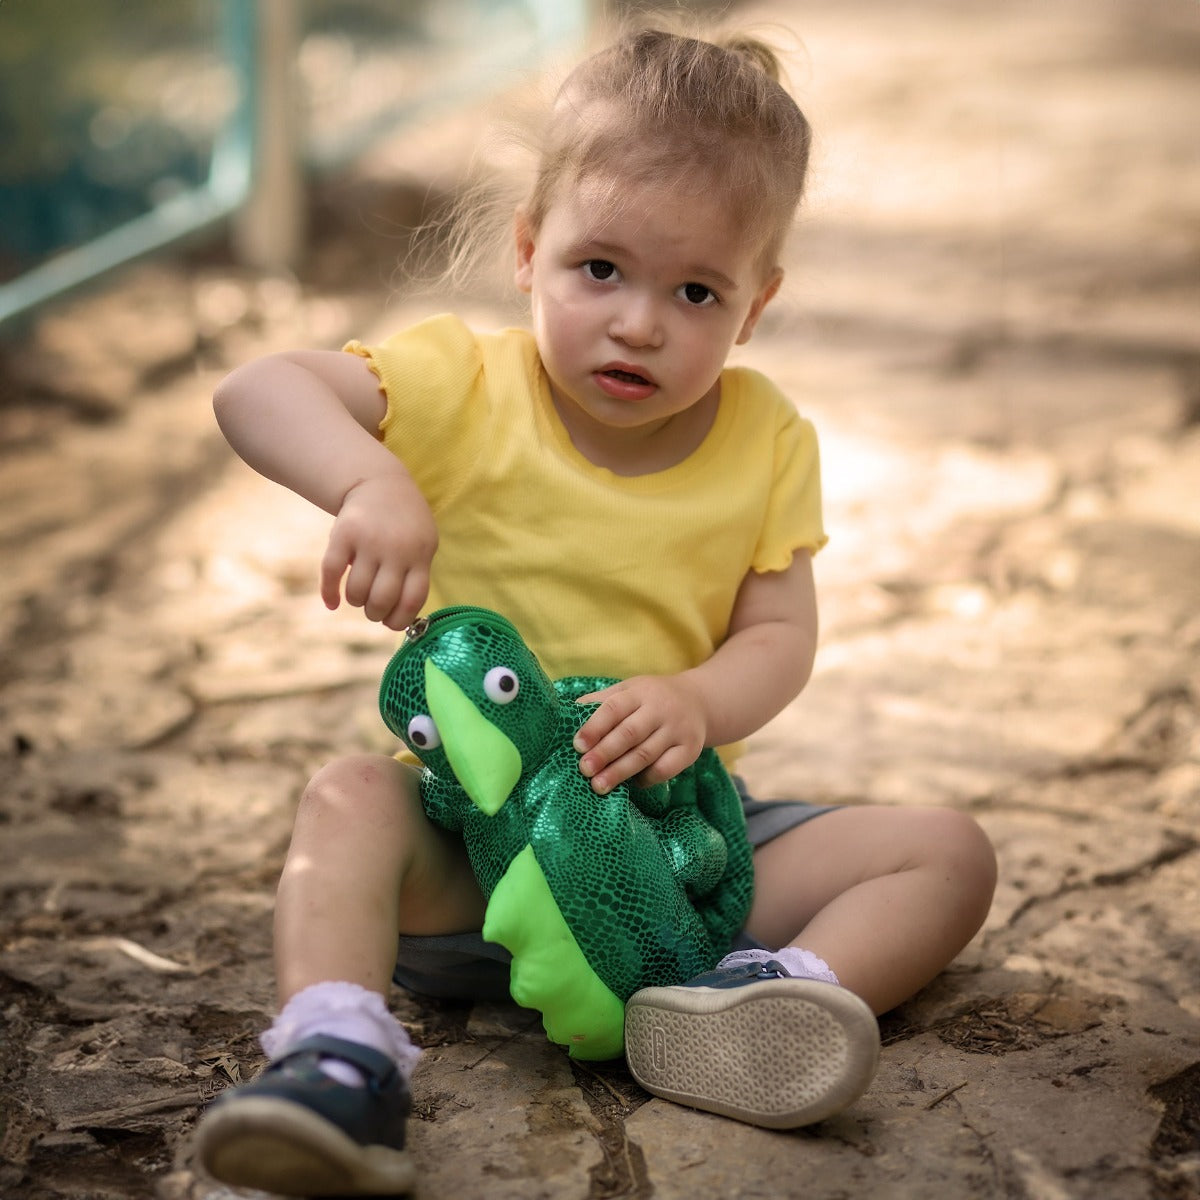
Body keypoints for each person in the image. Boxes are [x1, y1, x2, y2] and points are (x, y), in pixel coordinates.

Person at [194, 24, 997, 1197]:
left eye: (696, 291)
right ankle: (337, 1056)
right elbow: (256, 388)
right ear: (529, 251)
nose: (640, 322)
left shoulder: (768, 440)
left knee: (948, 854)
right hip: (471, 854)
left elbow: (781, 637)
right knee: (347, 799)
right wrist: (369, 482)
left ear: (755, 306)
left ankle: (755, 1007)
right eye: (601, 269)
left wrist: (696, 700)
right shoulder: (465, 386)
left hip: (677, 858)